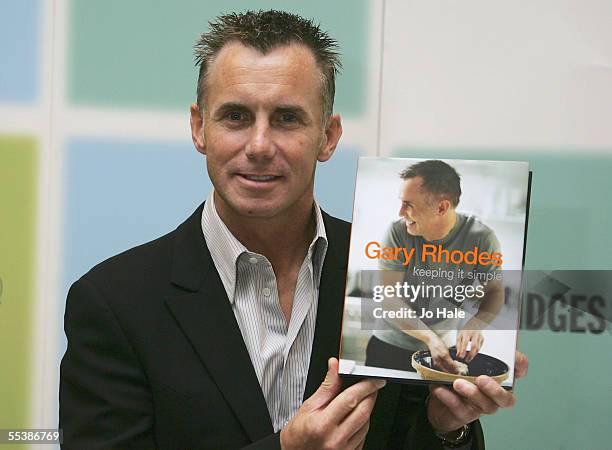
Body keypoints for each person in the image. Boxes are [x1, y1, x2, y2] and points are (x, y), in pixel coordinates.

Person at [59, 10, 527, 449]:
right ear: (200, 128)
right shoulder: (113, 302)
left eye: (287, 118)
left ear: (328, 137)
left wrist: (446, 429)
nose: (260, 145)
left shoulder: (396, 271)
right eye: (236, 116)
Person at [366, 160, 506, 374]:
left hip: (445, 350)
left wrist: (476, 324)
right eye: (401, 202)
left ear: (442, 207)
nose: (400, 212)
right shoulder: (396, 233)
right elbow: (389, 297)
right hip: (389, 347)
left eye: (409, 204)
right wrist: (430, 338)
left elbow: (495, 292)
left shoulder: (482, 238)